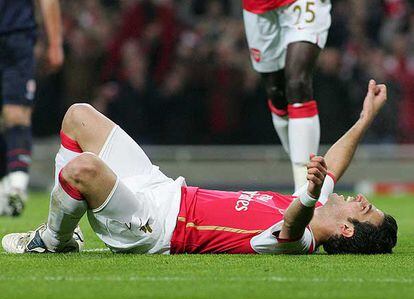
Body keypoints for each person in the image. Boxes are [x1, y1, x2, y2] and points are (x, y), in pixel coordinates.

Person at [2, 80, 397, 255]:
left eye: (364, 208)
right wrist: (365, 119)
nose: (361, 199)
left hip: (151, 227)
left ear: (346, 230)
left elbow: (292, 226)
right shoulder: (313, 203)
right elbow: (335, 166)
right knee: (79, 116)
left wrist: (309, 194)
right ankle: (63, 232)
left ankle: (54, 240)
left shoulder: (302, 243)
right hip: (163, 188)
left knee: (83, 169)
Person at [242, 0, 331, 190]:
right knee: (276, 93)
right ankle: (309, 179)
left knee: (298, 83)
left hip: (301, 3)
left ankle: (304, 190)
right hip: (258, 8)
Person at [0, 0, 64, 216]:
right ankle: (7, 184)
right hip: (17, 36)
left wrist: (55, 42)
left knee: (15, 113)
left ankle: (16, 187)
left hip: (17, 36)